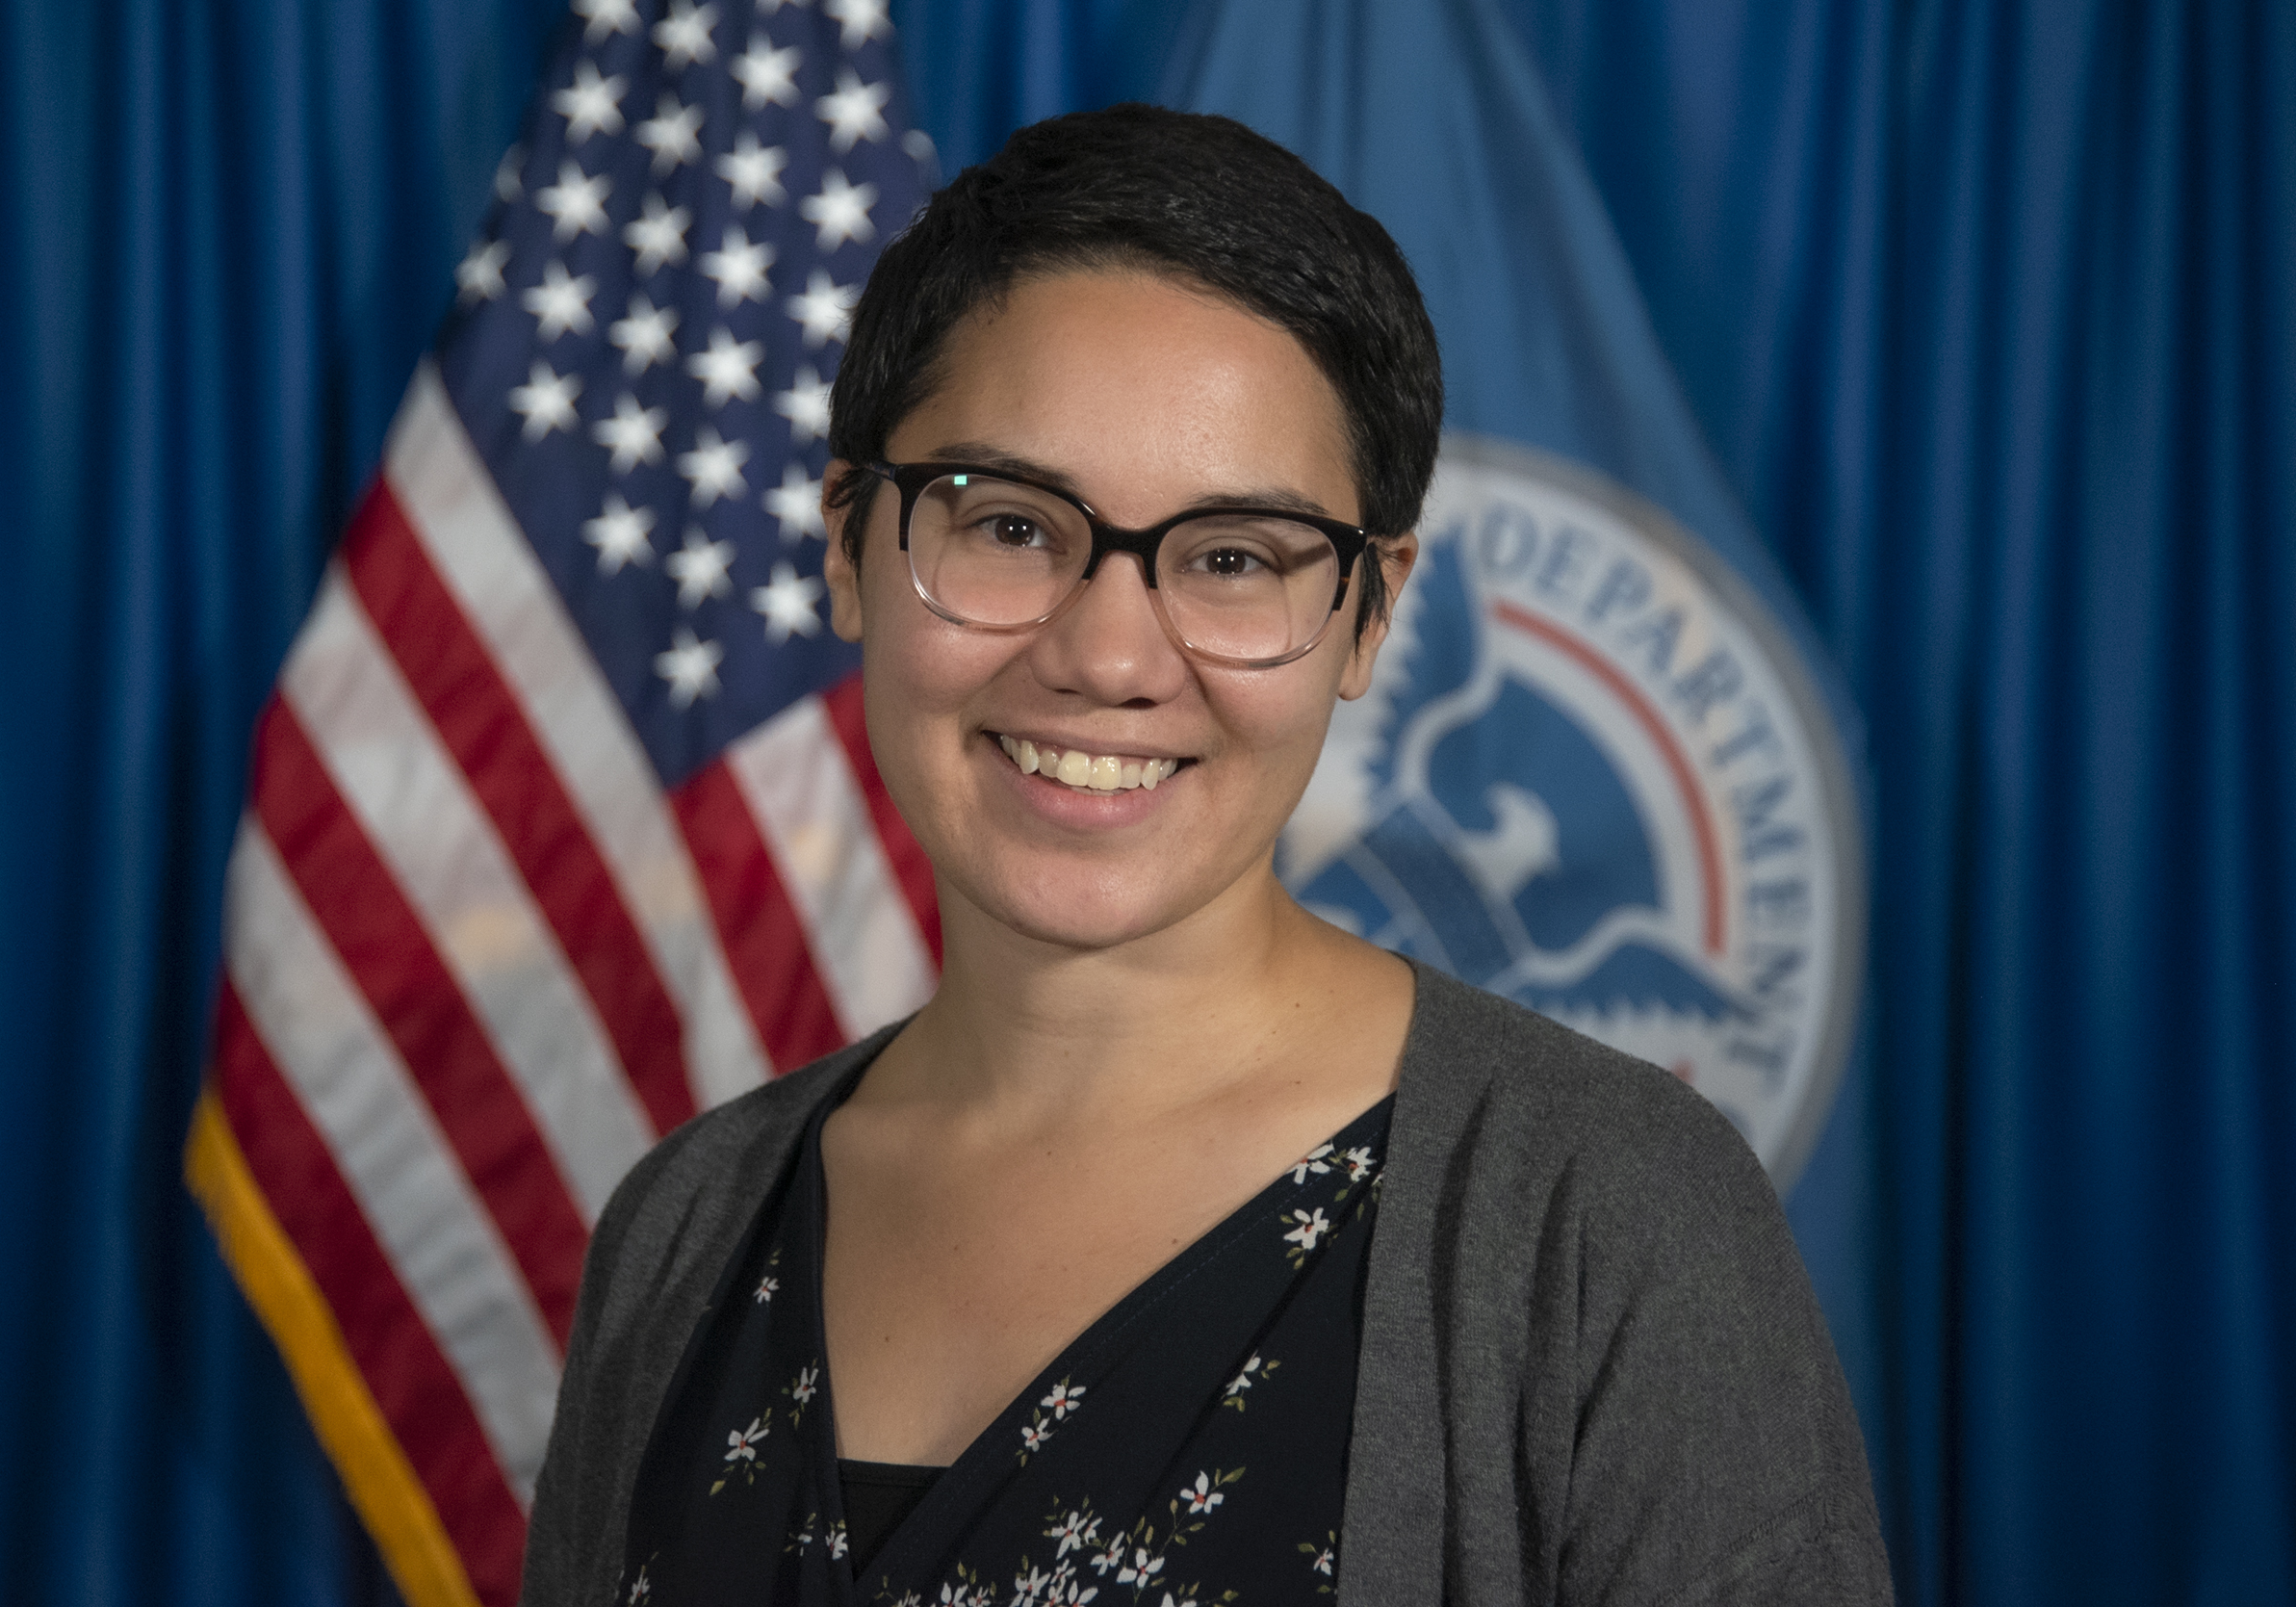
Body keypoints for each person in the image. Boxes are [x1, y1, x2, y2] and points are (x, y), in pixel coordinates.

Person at [521, 104, 1892, 1607]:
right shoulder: (684, 1233)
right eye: (1010, 525)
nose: (1108, 654)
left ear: (1368, 614)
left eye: (1234, 556)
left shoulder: (1603, 1214)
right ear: (850, 542)